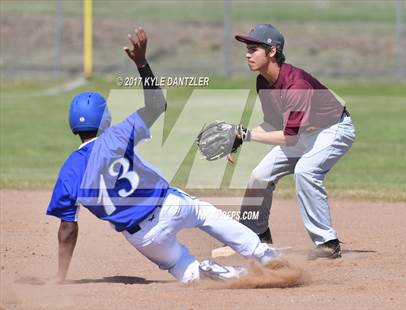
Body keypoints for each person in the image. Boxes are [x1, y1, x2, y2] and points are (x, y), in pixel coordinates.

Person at [46, 27, 280, 284]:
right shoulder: (117, 136)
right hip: (168, 206)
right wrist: (142, 64)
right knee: (205, 214)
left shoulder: (69, 171)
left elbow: (67, 229)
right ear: (105, 120)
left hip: (143, 237)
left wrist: (59, 277)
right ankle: (264, 254)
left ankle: (221, 274)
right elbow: (157, 105)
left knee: (182, 267)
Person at [229, 24, 356, 259]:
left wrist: (248, 134)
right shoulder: (263, 82)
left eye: (254, 48)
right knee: (260, 175)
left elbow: (289, 137)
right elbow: (272, 123)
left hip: (332, 129)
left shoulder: (296, 85)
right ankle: (256, 236)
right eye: (247, 49)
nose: (248, 54)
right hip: (301, 132)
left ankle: (328, 242)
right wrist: (240, 138)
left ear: (272, 51)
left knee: (306, 171)